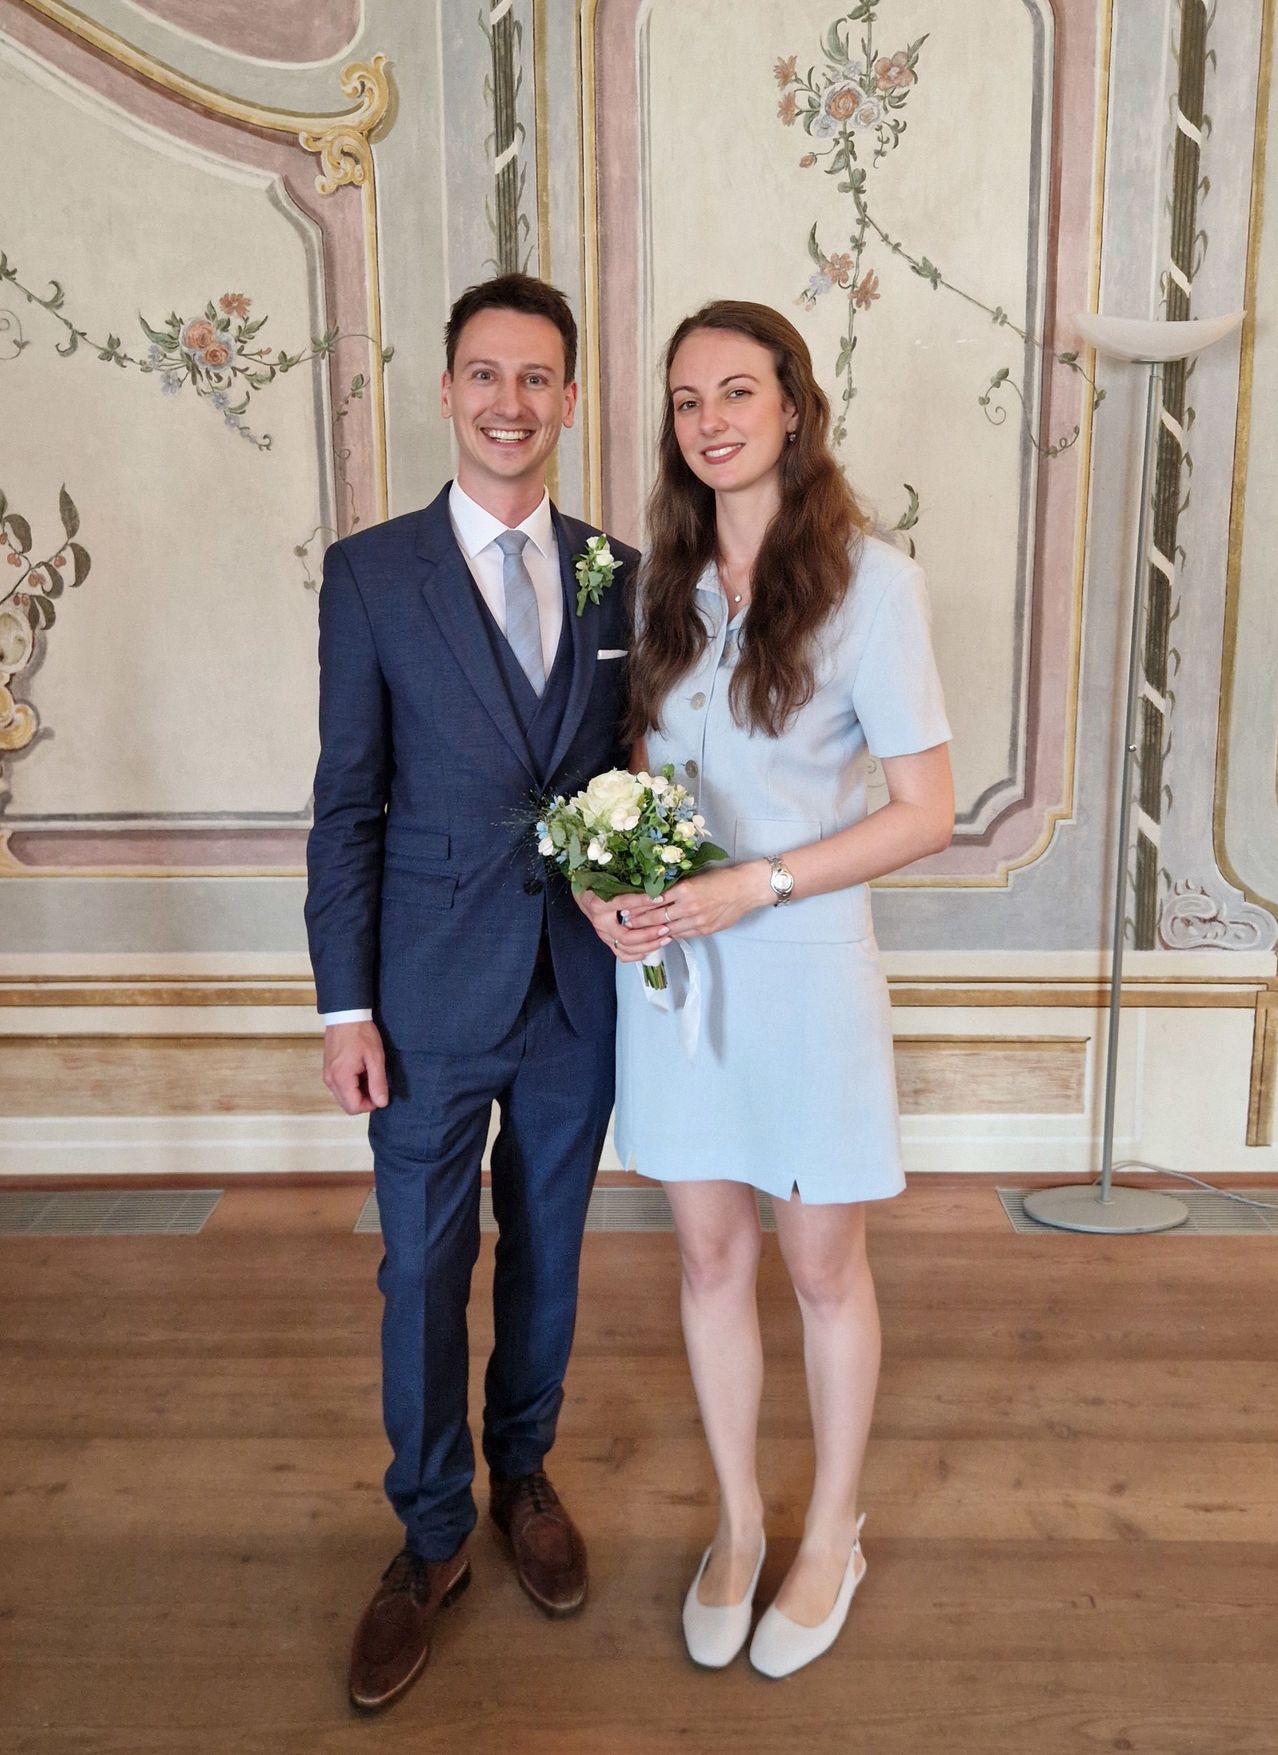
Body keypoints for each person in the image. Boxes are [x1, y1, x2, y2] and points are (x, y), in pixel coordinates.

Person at [576, 300, 953, 1678]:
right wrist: (593, 884)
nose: (711, 420)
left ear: (793, 406)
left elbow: (926, 811)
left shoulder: (872, 584)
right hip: (671, 978)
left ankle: (828, 1529)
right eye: (686, 400)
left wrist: (761, 882)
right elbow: (612, 772)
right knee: (706, 1256)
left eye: (738, 391)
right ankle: (738, 1524)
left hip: (799, 969)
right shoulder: (648, 586)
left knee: (817, 1264)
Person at [305, 273, 638, 1713]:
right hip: (425, 991)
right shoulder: (372, 574)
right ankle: (429, 1532)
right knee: (421, 1272)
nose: (511, 402)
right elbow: (346, 805)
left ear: (569, 399)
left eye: (538, 378)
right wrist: (344, 1006)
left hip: (574, 989)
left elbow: (635, 765)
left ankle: (526, 1477)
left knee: (551, 1254)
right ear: (446, 391)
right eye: (485, 375)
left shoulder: (618, 575)